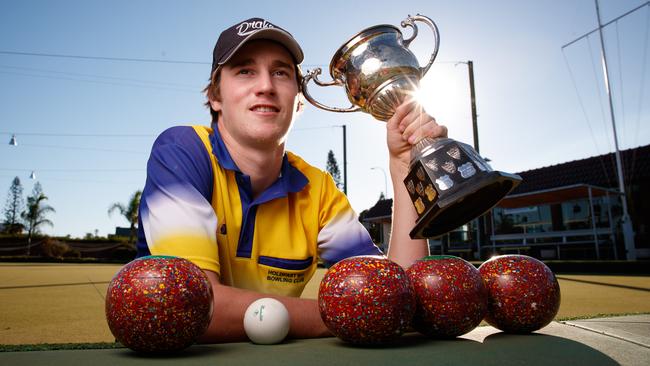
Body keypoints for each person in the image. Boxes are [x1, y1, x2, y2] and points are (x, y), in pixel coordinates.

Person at [136, 17, 448, 343]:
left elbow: (395, 292)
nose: (266, 86)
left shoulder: (319, 189)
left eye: (281, 72)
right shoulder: (182, 151)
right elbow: (192, 306)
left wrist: (402, 167)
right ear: (215, 96)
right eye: (245, 70)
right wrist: (360, 313)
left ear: (299, 101)